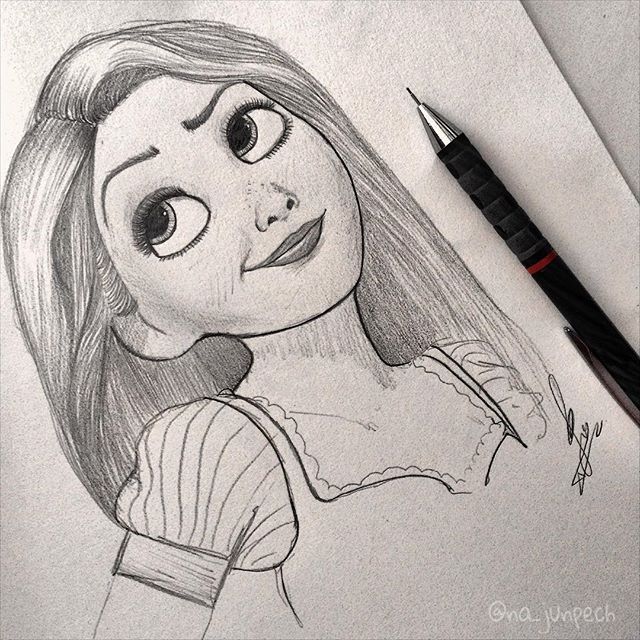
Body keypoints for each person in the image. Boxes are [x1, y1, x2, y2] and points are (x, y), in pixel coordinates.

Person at [1, 20, 550, 638]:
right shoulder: (214, 453)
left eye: (247, 133)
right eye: (167, 218)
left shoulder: (476, 376)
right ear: (144, 322)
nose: (269, 205)